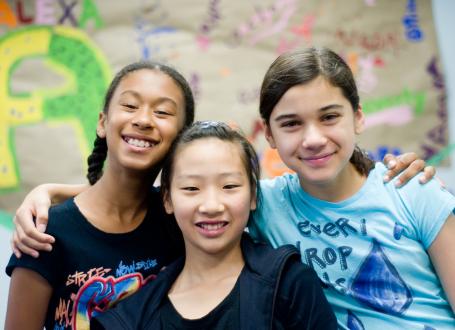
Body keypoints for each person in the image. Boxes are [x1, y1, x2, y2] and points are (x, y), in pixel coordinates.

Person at [247, 47, 455, 329]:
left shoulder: (410, 188)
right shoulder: (261, 204)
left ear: (357, 117)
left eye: (329, 117)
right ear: (269, 133)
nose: (313, 139)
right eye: (292, 124)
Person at [90, 120, 337, 329]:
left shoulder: (289, 285)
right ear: (167, 198)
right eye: (191, 188)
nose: (211, 206)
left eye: (229, 186)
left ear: (253, 196)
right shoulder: (132, 318)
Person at [5, 61, 195, 329]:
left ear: (182, 136)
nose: (142, 120)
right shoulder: (46, 230)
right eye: (129, 106)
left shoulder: (180, 222)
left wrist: (50, 190)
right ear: (102, 123)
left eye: (162, 112)